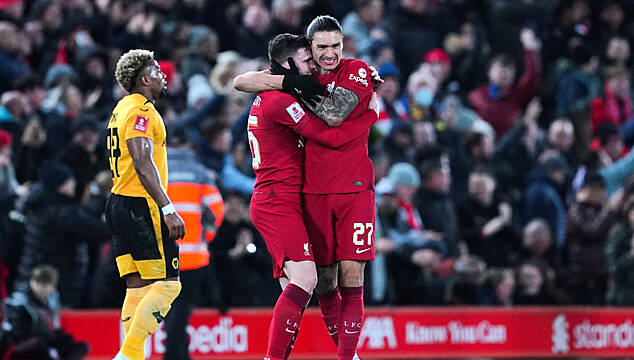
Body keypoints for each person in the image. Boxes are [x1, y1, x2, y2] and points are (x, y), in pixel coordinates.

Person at [234, 16, 379, 360]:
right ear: (287, 66)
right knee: (307, 280)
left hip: (289, 197)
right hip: (278, 199)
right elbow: (329, 131)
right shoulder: (279, 100)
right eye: (309, 58)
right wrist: (371, 114)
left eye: (332, 49)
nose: (315, 64)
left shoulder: (277, 91)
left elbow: (243, 80)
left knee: (297, 291)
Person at [104, 49, 185, 360]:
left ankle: (131, 356)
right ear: (144, 79)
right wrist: (167, 207)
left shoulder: (120, 109)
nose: (163, 74)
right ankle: (129, 354)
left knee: (137, 288)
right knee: (168, 286)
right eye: (156, 69)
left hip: (118, 201)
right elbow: (141, 160)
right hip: (142, 205)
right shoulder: (142, 113)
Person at [162, 127, 224, 360]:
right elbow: (216, 209)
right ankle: (175, 356)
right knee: (182, 311)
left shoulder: (157, 172)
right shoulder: (200, 173)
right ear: (189, 147)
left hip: (164, 256)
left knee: (170, 311)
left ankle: (179, 355)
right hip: (193, 257)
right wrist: (205, 238)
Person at [0, 265, 89, 360]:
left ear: (53, 287)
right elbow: (17, 332)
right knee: (37, 344)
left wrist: (60, 340)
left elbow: (54, 327)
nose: (39, 287)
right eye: (37, 282)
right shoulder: (20, 301)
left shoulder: (53, 300)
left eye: (44, 284)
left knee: (80, 346)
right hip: (21, 344)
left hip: (45, 340)